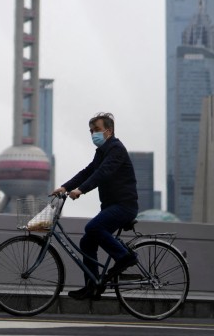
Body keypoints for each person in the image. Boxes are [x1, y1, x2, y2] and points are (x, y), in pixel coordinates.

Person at [52, 112, 138, 300]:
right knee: (87, 241)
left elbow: (103, 173)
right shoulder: (102, 152)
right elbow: (88, 171)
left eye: (97, 130)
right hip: (110, 206)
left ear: (109, 130)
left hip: (124, 206)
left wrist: (81, 190)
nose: (93, 134)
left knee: (93, 227)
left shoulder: (116, 149)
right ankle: (93, 286)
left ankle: (124, 257)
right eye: (91, 131)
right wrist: (65, 187)